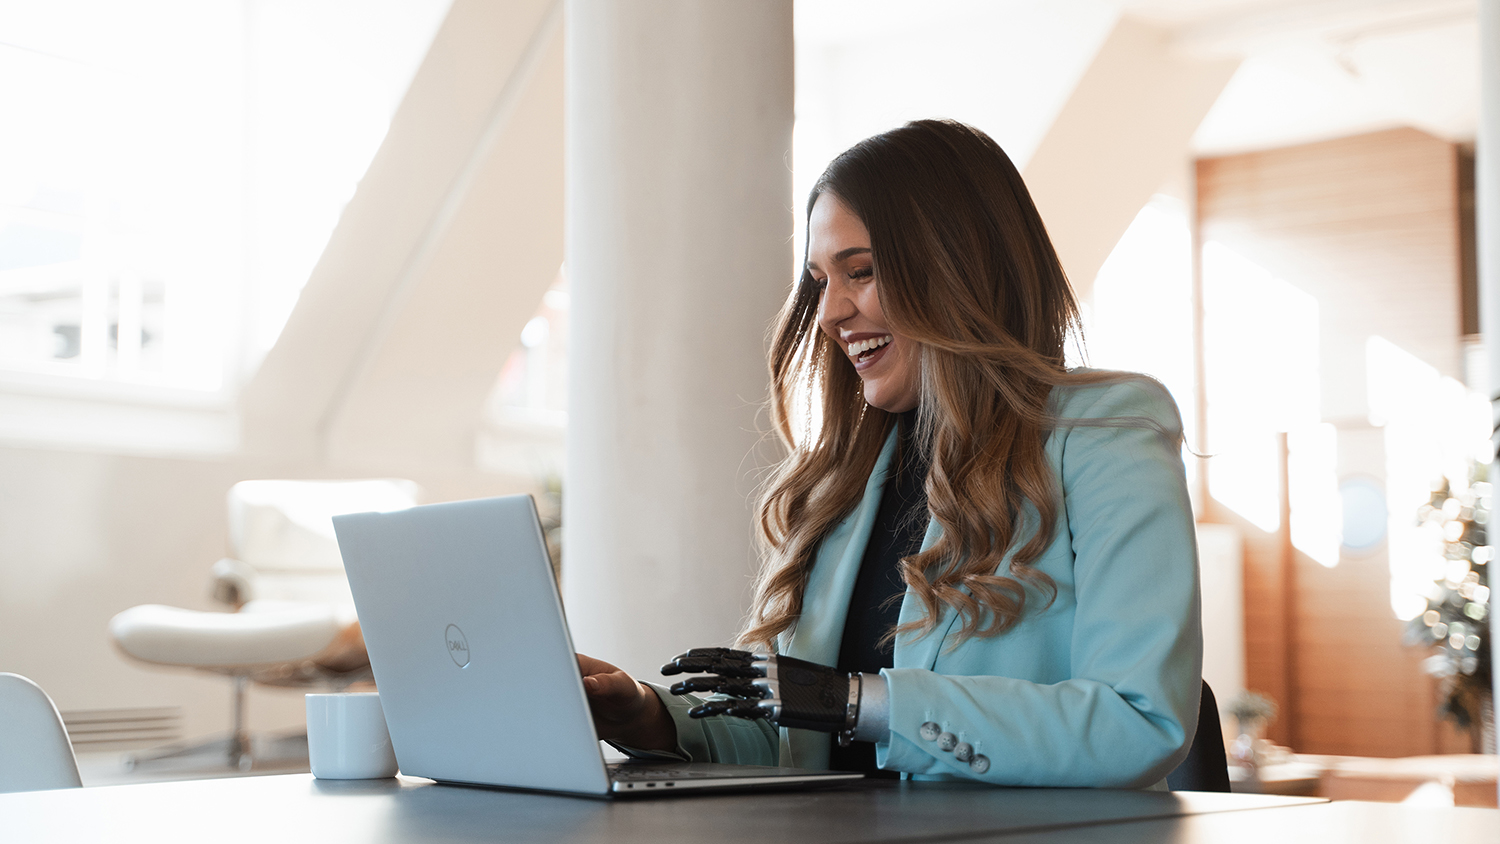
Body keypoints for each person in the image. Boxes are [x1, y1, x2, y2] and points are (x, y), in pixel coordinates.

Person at [578, 119, 1201, 789]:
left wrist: (858, 701)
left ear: (961, 268)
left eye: (863, 272)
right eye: (820, 281)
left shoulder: (1104, 433)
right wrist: (646, 717)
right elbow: (797, 737)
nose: (830, 313)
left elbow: (1138, 722)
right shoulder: (843, 482)